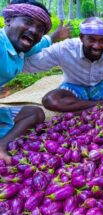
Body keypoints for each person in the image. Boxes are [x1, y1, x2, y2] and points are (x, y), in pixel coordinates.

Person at [0, 0, 70, 163]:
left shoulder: (23, 46)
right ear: (8, 20)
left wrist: (56, 35)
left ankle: (2, 144)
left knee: (34, 113)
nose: (34, 30)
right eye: (28, 22)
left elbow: (44, 42)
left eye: (40, 28)